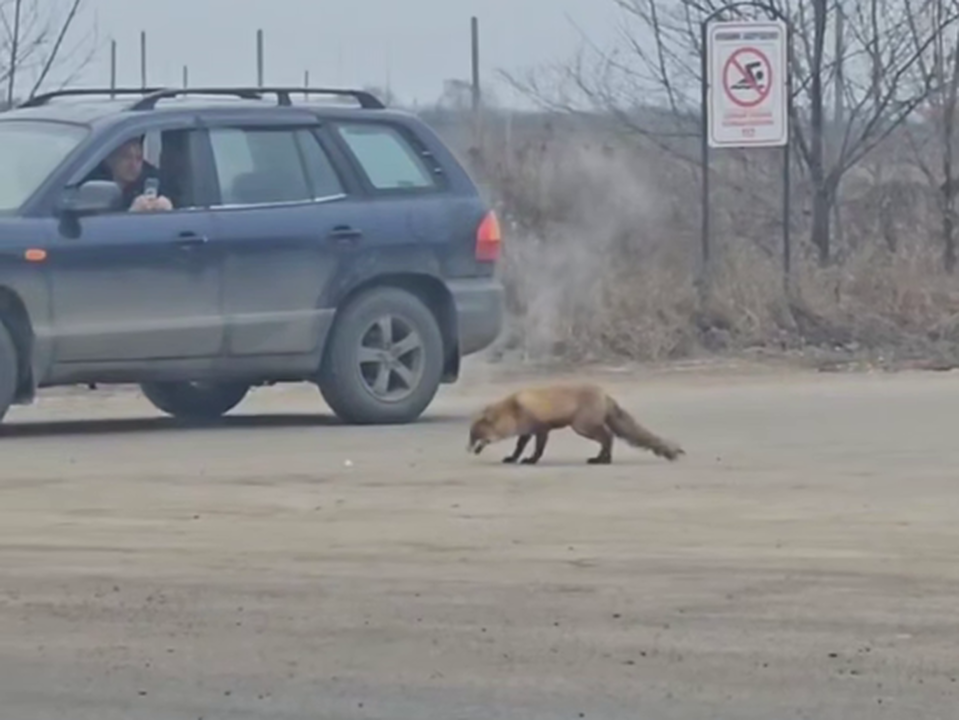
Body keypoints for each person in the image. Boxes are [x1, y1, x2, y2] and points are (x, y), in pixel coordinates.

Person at [93, 136, 173, 212]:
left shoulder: (153, 188)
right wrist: (132, 212)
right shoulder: (95, 188)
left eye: (138, 158)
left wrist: (167, 209)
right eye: (126, 157)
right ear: (110, 160)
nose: (133, 165)